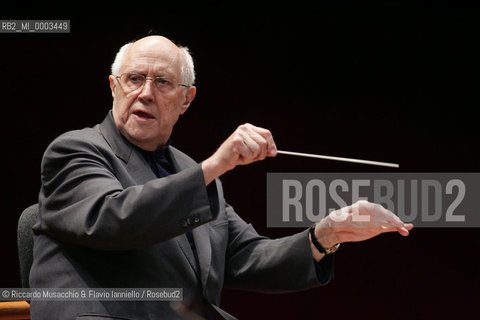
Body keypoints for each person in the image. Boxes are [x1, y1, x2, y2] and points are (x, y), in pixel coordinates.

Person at [30, 35, 413, 320]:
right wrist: (214, 166)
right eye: (133, 79)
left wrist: (326, 234)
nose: (145, 93)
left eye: (162, 83)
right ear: (114, 87)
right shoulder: (75, 151)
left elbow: (246, 256)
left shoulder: (186, 170)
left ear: (187, 99)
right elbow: (117, 218)